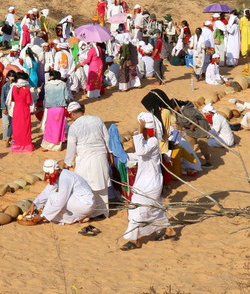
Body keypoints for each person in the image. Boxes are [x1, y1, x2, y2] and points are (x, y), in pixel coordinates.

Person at [121, 117, 176, 250]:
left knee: (138, 210)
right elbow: (139, 156)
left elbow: (141, 151)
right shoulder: (147, 143)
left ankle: (134, 240)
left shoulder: (153, 141)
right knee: (153, 208)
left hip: (150, 184)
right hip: (144, 183)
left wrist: (140, 131)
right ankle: (169, 230)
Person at [63, 103, 112, 216]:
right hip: (100, 157)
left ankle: (89, 212)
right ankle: (102, 211)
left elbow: (71, 147)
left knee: (84, 185)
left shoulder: (74, 127)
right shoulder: (97, 120)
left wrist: (67, 163)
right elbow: (107, 138)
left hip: (85, 159)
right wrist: (110, 153)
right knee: (101, 184)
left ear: (73, 114)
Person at [28, 159, 104, 225]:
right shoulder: (61, 174)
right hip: (82, 203)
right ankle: (81, 217)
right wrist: (34, 204)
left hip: (85, 204)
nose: (46, 175)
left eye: (48, 173)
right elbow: (48, 190)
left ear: (55, 171)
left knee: (54, 197)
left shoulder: (65, 179)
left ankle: (70, 220)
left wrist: (42, 216)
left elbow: (60, 202)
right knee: (53, 199)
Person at [40, 70, 70, 151]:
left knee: (49, 127)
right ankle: (57, 145)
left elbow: (46, 96)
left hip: (51, 108)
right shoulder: (63, 84)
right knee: (59, 127)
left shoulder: (47, 84)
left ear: (51, 76)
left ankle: (48, 145)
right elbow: (66, 97)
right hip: (60, 108)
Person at [8, 73, 34, 152]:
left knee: (16, 127)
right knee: (25, 127)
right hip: (24, 109)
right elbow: (29, 101)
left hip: (16, 109)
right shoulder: (26, 89)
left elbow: (12, 99)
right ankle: (26, 145)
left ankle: (16, 144)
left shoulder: (13, 87)